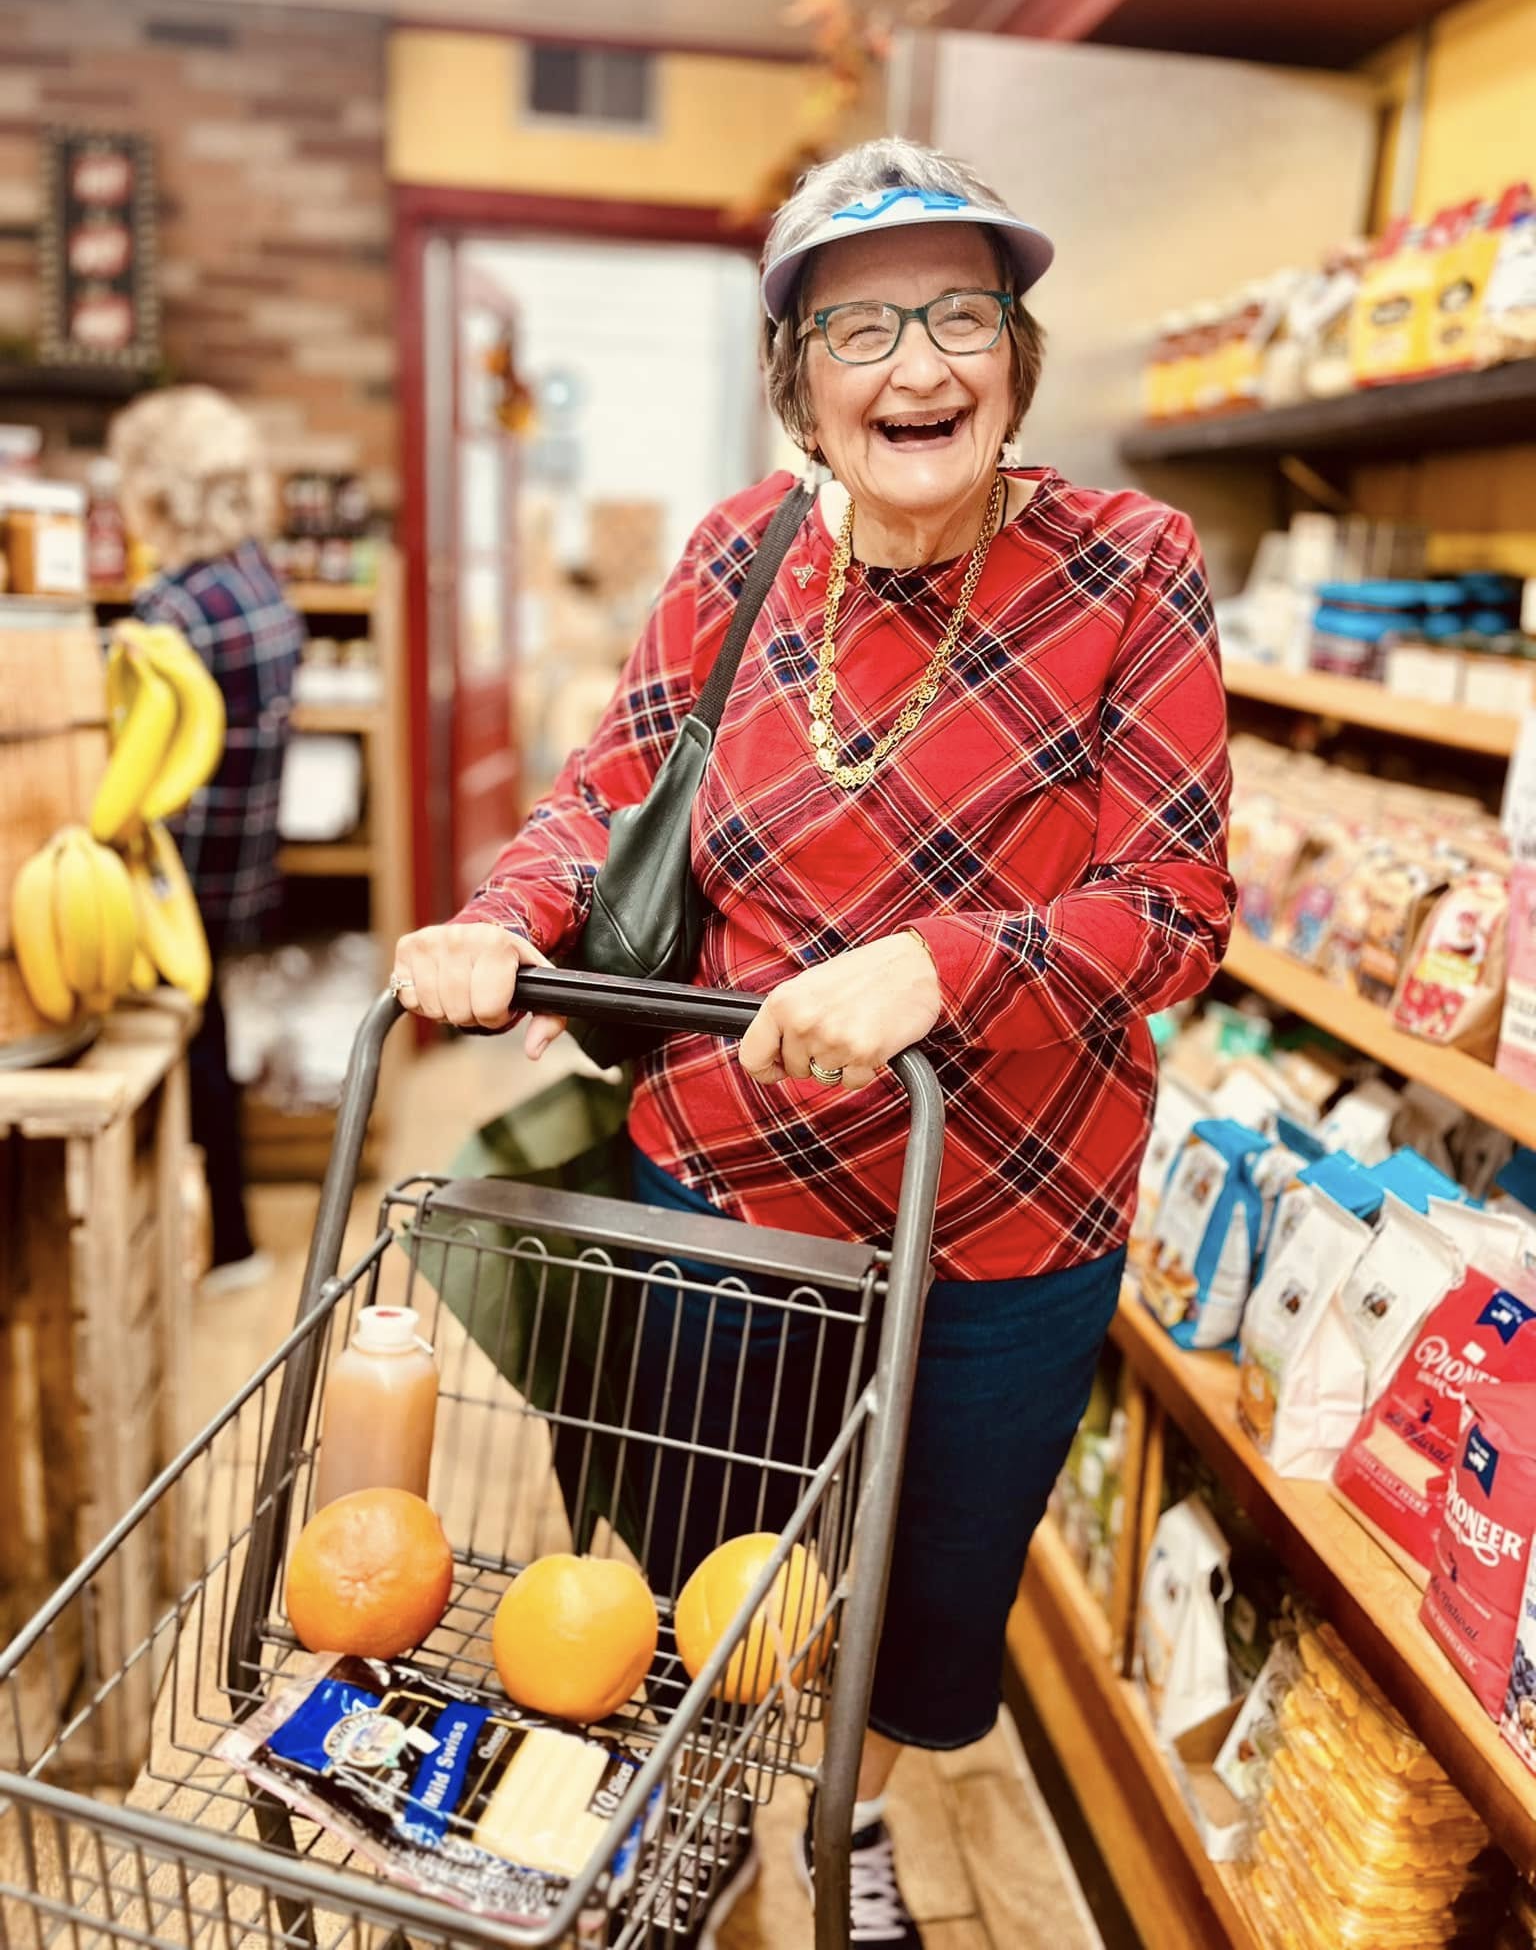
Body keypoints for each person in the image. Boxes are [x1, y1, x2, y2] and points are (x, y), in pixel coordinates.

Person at [391, 136, 1235, 1947]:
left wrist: (941, 964)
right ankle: (674, 1831)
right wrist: (497, 919)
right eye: (859, 326)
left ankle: (843, 1827)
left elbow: (1174, 905)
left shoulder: (1130, 563)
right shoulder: (740, 555)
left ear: (1013, 353)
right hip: (726, 1196)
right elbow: (602, 799)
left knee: (921, 1607)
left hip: (1004, 1214)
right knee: (699, 1570)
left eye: (958, 314)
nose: (916, 367)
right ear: (794, 383)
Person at [110, 385, 305, 1289]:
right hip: (238, 870)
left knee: (173, 1053)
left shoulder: (171, 611)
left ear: (161, 492)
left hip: (170, 873)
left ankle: (188, 1240)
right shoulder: (258, 580)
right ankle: (226, 1235)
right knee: (206, 1036)